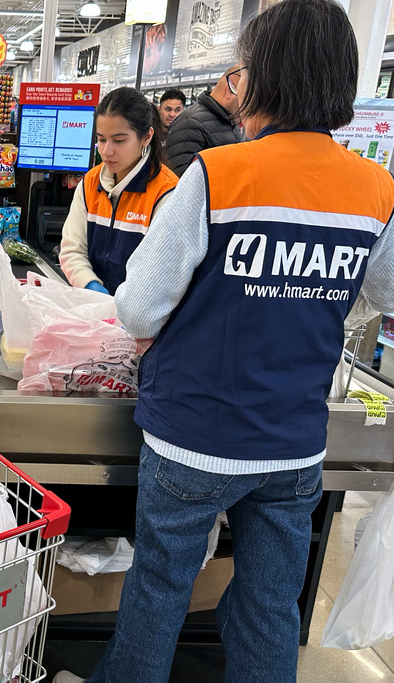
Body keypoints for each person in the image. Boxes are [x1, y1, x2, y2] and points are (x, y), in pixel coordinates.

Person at [53, 1, 394, 682]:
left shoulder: (218, 175)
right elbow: (385, 295)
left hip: (193, 436)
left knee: (159, 591)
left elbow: (141, 309)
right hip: (293, 441)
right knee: (270, 604)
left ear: (263, 77)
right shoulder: (376, 190)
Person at [58, 87, 178, 295]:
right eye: (102, 139)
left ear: (146, 136)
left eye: (119, 140)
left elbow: (163, 274)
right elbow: (72, 249)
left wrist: (122, 309)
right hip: (93, 309)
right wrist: (90, 285)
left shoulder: (167, 193)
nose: (107, 151)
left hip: (139, 319)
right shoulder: (90, 184)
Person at [164, 68, 243, 176]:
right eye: (246, 98)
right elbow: (183, 183)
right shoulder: (189, 124)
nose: (248, 106)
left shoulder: (231, 123)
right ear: (230, 90)